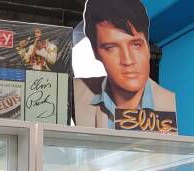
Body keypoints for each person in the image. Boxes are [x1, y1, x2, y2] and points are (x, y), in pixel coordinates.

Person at [74, 0, 175, 128]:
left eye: (136, 45)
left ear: (147, 48)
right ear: (96, 53)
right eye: (111, 48)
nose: (127, 60)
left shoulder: (172, 102)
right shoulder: (74, 93)